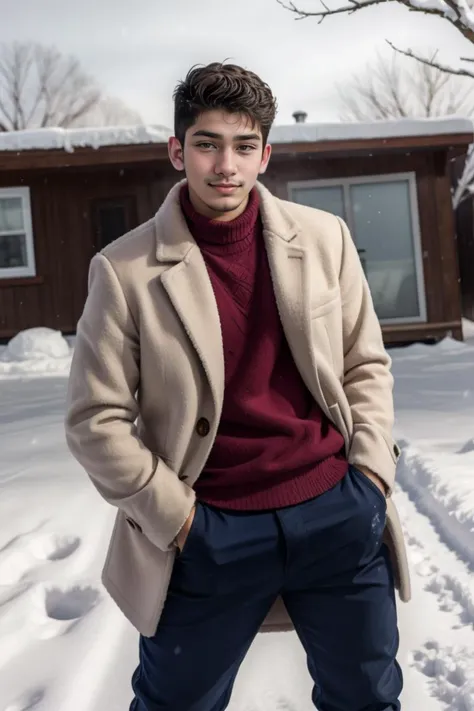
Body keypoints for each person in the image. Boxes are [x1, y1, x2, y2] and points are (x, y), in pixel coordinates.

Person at [65, 62, 411, 711]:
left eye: (243, 145)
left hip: (336, 514)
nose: (226, 163)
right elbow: (95, 419)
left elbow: (365, 364)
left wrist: (369, 475)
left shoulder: (324, 238)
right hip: (210, 532)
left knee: (367, 698)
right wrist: (179, 519)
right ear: (177, 150)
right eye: (207, 143)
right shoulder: (124, 270)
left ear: (265, 154)